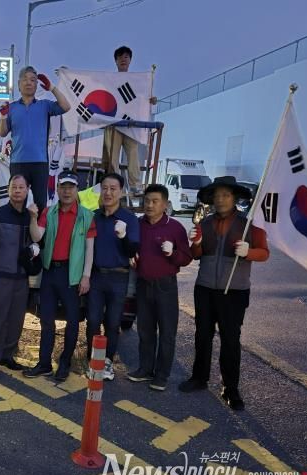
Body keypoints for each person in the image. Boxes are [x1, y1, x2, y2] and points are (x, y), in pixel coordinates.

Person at [178, 176, 269, 410]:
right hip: (205, 288)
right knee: (202, 335)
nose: (220, 199)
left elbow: (264, 252)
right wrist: (196, 243)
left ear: (234, 198)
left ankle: (230, 388)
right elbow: (196, 255)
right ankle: (199, 377)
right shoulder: (205, 223)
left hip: (235, 291)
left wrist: (249, 252)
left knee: (230, 340)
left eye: (225, 195)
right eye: (217, 195)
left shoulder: (249, 224)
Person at [23, 171, 96, 382]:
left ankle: (65, 363)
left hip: (71, 275)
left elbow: (89, 249)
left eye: (71, 187)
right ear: (57, 189)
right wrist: (34, 218)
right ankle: (44, 364)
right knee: (47, 320)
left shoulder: (87, 216)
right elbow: (37, 236)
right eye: (63, 187)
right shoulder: (49, 212)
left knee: (72, 321)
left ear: (77, 190)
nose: (67, 191)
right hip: (50, 272)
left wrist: (86, 276)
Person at [0, 174, 41, 379]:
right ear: (9, 189)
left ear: (27, 189)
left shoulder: (30, 216)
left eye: (21, 187)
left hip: (21, 278)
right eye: (14, 187)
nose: (17, 191)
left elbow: (38, 241)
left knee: (16, 321)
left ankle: (7, 355)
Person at [128, 184, 192, 391]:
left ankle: (161, 375)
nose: (149, 205)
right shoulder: (138, 224)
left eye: (155, 201)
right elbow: (130, 247)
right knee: (145, 330)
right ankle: (145, 369)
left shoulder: (175, 227)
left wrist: (173, 253)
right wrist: (131, 255)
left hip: (165, 285)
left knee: (167, 332)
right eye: (147, 201)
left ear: (165, 204)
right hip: (143, 283)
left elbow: (186, 258)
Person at [86, 173, 139, 381]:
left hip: (119, 276)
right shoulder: (94, 217)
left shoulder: (129, 219)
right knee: (92, 320)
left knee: (113, 321)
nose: (108, 192)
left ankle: (107, 361)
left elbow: (132, 250)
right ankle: (93, 360)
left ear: (121, 192)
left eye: (113, 188)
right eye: (105, 188)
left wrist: (124, 236)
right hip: (96, 276)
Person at [0, 66, 71, 211]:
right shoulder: (11, 108)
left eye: (32, 80)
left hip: (40, 162)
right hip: (18, 162)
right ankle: (18, 226)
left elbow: (66, 106)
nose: (28, 82)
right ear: (19, 84)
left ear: (37, 85)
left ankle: (38, 227)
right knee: (17, 202)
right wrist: (3, 116)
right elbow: (2, 132)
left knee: (40, 204)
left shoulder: (44, 105)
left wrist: (52, 88)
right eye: (25, 79)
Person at [101, 46, 157, 193]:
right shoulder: (108, 79)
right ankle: (115, 185)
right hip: (113, 123)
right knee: (113, 157)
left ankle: (135, 185)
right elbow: (97, 92)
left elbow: (143, 98)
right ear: (115, 61)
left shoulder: (138, 81)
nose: (123, 59)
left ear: (130, 60)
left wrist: (151, 101)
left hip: (130, 123)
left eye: (126, 57)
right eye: (120, 57)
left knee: (133, 154)